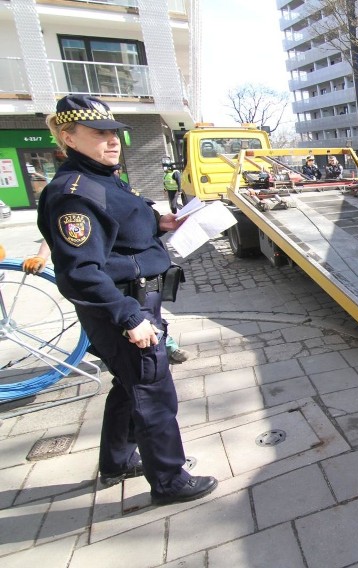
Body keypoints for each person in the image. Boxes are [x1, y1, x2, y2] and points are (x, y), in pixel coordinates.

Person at [37, 94, 217, 505]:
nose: (112, 140)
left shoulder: (103, 178)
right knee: (153, 393)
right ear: (68, 137)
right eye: (99, 133)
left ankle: (117, 461)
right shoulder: (73, 194)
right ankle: (170, 481)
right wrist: (128, 317)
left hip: (134, 303)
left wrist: (161, 222)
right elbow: (81, 271)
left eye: (114, 132)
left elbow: (120, 227)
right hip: (122, 307)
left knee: (129, 385)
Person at [23, 239, 191, 364]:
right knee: (130, 325)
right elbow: (57, 234)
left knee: (151, 318)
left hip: (142, 275)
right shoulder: (75, 198)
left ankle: (166, 346)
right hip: (111, 279)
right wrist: (41, 256)